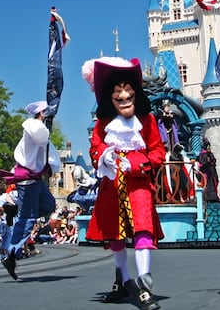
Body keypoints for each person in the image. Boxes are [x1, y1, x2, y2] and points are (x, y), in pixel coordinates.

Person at [82, 57, 165, 310]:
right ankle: (127, 280)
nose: (123, 95)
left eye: (127, 89)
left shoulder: (147, 121)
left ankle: (144, 278)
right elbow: (95, 148)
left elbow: (158, 151)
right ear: (111, 97)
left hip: (138, 184)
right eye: (117, 91)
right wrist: (104, 155)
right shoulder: (104, 124)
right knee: (115, 234)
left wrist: (140, 165)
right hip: (112, 182)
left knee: (143, 229)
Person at [0, 100, 61, 281]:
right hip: (28, 180)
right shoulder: (33, 126)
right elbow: (41, 138)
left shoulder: (41, 130)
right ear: (41, 113)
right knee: (28, 219)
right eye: (47, 113)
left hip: (36, 180)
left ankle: (17, 210)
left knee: (49, 205)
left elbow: (49, 153)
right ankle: (10, 253)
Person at [197, 137, 220, 203]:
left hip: (211, 173)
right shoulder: (202, 154)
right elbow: (201, 162)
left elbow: (213, 161)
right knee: (206, 185)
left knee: (212, 184)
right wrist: (207, 161)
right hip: (205, 173)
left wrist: (210, 159)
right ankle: (206, 198)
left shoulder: (210, 154)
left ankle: (213, 198)